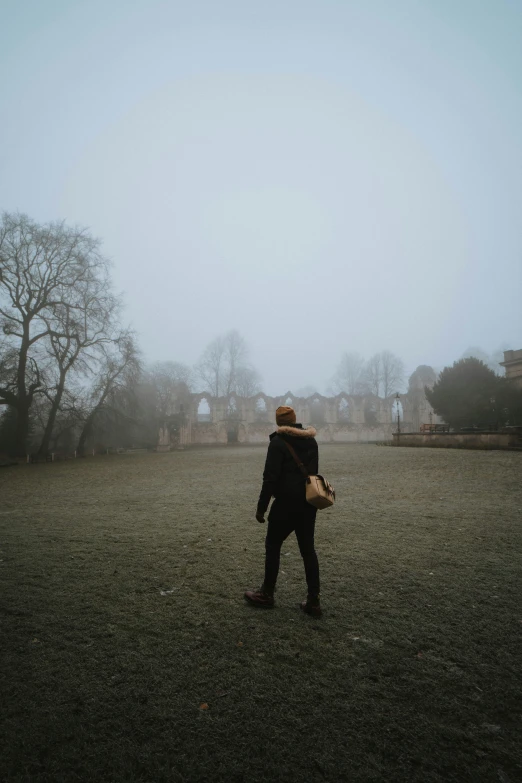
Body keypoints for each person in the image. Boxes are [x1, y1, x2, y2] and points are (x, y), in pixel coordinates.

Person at [244, 405, 322, 617]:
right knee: (308, 551)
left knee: (272, 545)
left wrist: (261, 509)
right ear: (295, 420)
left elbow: (270, 478)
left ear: (279, 422)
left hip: (286, 505)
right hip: (308, 504)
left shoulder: (278, 443)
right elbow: (313, 473)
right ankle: (313, 602)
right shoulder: (311, 441)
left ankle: (267, 594)